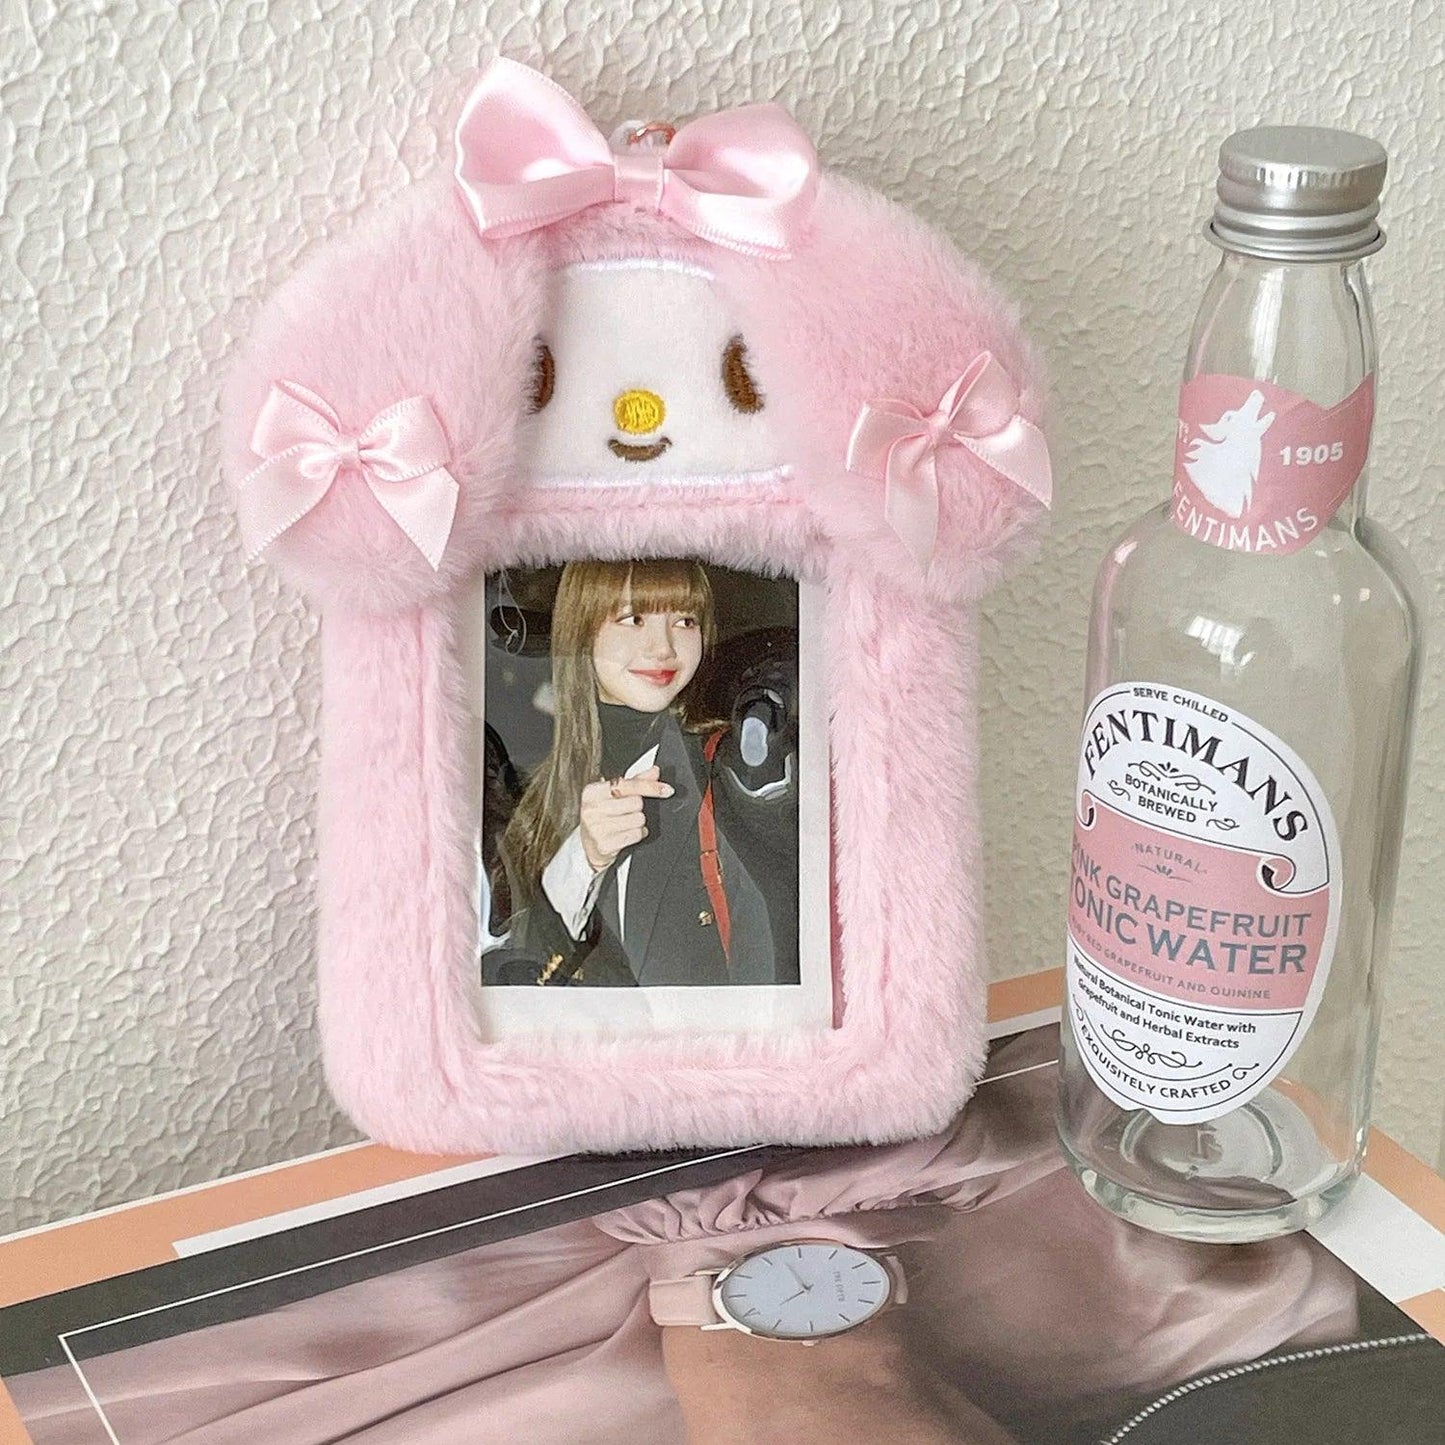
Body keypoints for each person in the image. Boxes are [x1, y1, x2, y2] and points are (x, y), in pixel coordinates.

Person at [483, 559, 798, 987]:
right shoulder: (538, 792)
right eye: (633, 619)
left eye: (685, 621)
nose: (663, 647)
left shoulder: (727, 768)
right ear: (582, 629)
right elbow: (521, 978)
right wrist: (583, 859)